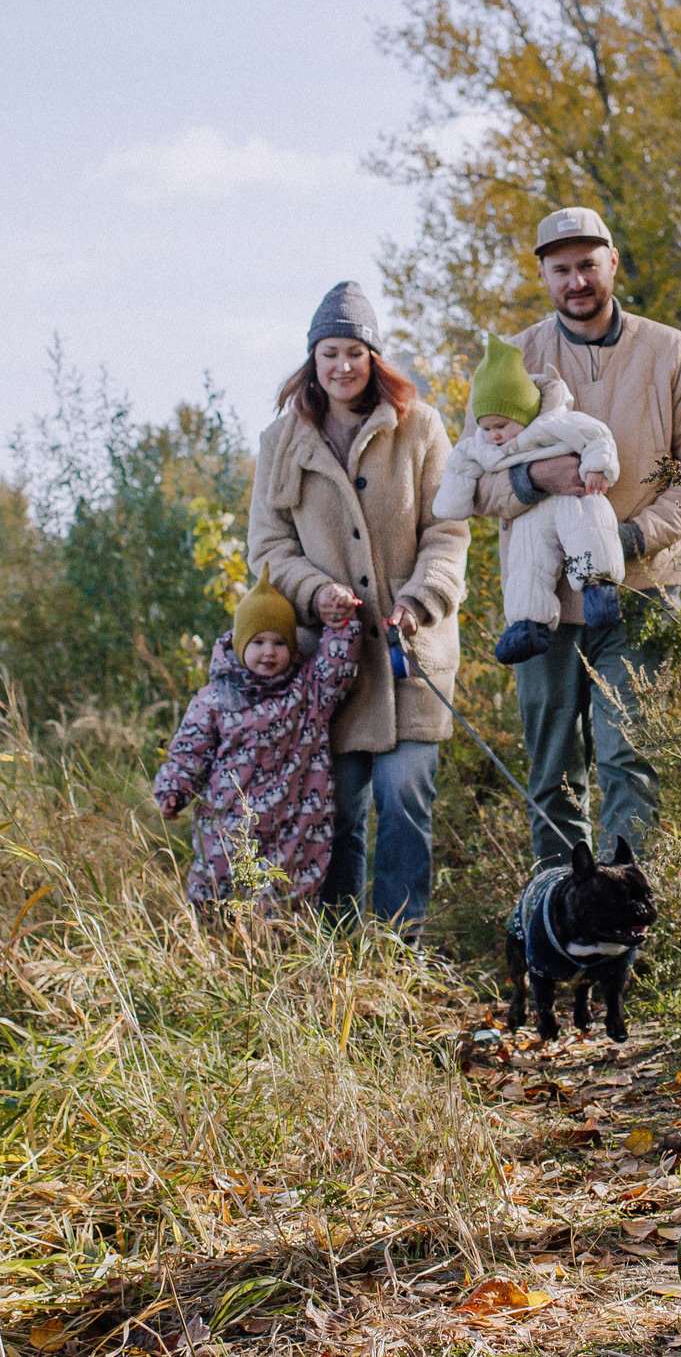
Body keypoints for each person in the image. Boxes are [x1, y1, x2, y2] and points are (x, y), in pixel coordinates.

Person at [464, 208, 681, 869]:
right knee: (554, 768)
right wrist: (535, 478)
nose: (576, 280)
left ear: (613, 263)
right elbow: (471, 485)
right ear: (543, 275)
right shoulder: (514, 361)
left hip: (640, 591)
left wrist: (632, 536)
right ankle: (560, 911)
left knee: (627, 757)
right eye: (562, 269)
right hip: (543, 602)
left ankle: (623, 922)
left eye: (588, 264)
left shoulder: (670, 353)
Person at [248, 281, 469, 932]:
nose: (342, 366)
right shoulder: (280, 441)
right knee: (336, 810)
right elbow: (267, 545)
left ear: (374, 356)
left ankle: (403, 949)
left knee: (405, 801)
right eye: (329, 353)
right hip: (330, 666)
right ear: (311, 361)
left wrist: (422, 597)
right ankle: (340, 956)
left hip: (411, 655)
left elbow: (448, 529)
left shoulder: (420, 426)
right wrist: (315, 591)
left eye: (354, 351)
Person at [151, 582, 360, 907]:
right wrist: (173, 791)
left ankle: (280, 948)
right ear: (239, 643)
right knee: (217, 894)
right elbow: (189, 752)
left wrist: (341, 622)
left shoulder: (307, 693)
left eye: (279, 643)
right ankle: (212, 945)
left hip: (294, 829)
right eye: (258, 641)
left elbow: (337, 666)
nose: (268, 652)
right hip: (230, 824)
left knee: (285, 901)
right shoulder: (216, 699)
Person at [434, 334, 626, 665]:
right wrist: (453, 502)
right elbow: (459, 465)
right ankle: (529, 626)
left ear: (522, 414)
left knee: (589, 526)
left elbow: (597, 435)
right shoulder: (482, 444)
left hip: (574, 493)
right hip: (529, 511)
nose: (493, 435)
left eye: (501, 425)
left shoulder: (556, 424)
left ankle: (600, 588)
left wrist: (597, 469)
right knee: (526, 562)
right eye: (486, 427)